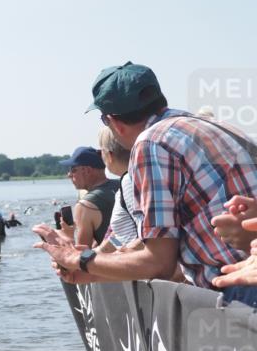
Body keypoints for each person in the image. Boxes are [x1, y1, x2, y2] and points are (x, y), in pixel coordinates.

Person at [36, 62, 257, 308]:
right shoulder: (215, 126)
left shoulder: (151, 143)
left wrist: (79, 258)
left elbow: (159, 263)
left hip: (241, 292)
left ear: (114, 123)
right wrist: (92, 272)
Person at [59, 146, 120, 247]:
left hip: (114, 260)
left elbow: (82, 254)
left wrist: (67, 236)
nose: (69, 175)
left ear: (87, 170)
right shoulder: (123, 184)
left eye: (73, 170)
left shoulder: (85, 206)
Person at [96, 125, 138, 252]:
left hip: (143, 268)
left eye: (100, 152)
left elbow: (150, 235)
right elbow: (119, 235)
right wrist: (96, 253)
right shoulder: (126, 184)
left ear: (109, 155)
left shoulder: (130, 182)